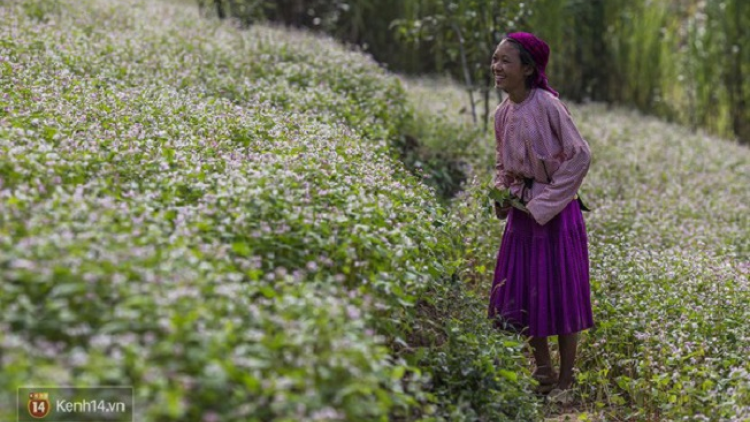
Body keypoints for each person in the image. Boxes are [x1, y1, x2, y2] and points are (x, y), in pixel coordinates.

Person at [487, 32, 593, 405]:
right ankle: (543, 370)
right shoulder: (501, 113)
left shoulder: (548, 105)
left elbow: (580, 155)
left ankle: (566, 379)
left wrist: (546, 201)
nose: (497, 67)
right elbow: (502, 164)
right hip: (521, 212)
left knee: (561, 292)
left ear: (529, 69)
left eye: (506, 61)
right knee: (529, 289)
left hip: (556, 213)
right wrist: (501, 195)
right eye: (495, 59)